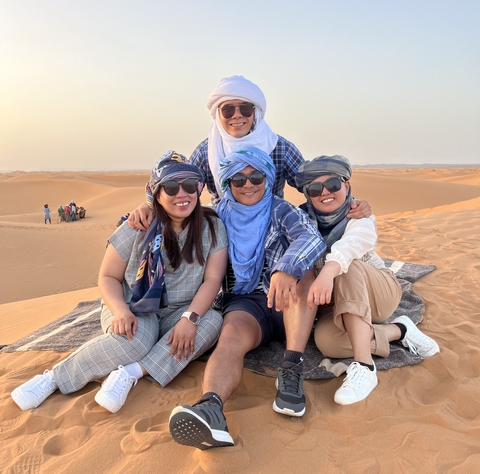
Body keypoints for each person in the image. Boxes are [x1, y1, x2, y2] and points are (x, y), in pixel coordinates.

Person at [11, 152, 228, 414]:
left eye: (190, 186)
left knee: (212, 323)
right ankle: (53, 378)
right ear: (156, 193)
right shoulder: (137, 225)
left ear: (199, 189)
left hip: (179, 310)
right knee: (135, 341)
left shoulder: (213, 226)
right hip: (135, 304)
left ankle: (131, 373)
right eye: (171, 187)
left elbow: (213, 280)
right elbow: (107, 276)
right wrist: (120, 310)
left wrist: (189, 318)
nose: (182, 194)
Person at [168, 147, 327, 450]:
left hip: (288, 299)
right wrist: (147, 207)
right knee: (229, 339)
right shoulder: (216, 217)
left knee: (304, 274)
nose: (249, 185)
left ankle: (291, 367)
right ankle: (211, 408)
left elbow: (310, 238)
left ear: (266, 178)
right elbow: (175, 219)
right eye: (239, 180)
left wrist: (286, 269)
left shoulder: (281, 210)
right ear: (227, 184)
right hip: (247, 302)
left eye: (256, 177)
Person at [127, 75, 371, 229]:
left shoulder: (279, 146)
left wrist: (351, 202)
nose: (237, 116)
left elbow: (316, 183)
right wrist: (149, 205)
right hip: (224, 231)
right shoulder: (207, 150)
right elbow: (181, 182)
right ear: (217, 114)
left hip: (273, 227)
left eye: (245, 108)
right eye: (228, 110)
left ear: (255, 112)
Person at [295, 155, 440, 405]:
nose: (325, 192)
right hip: (339, 304)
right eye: (315, 188)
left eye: (332, 184)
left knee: (345, 267)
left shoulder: (359, 215)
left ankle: (364, 366)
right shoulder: (300, 221)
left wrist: (328, 271)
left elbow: (351, 246)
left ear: (347, 185)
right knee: (327, 342)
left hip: (378, 293)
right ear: (308, 194)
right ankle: (399, 330)